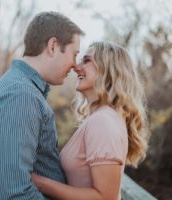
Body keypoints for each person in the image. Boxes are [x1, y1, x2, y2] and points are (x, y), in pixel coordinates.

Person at [0, 11, 84, 200]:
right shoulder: (21, 95)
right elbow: (14, 194)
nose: (75, 65)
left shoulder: (24, 90)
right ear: (53, 46)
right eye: (74, 55)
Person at [31, 41, 149, 200]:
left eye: (86, 60)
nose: (76, 67)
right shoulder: (101, 118)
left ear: (108, 70)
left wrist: (37, 182)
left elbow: (105, 197)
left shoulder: (103, 121)